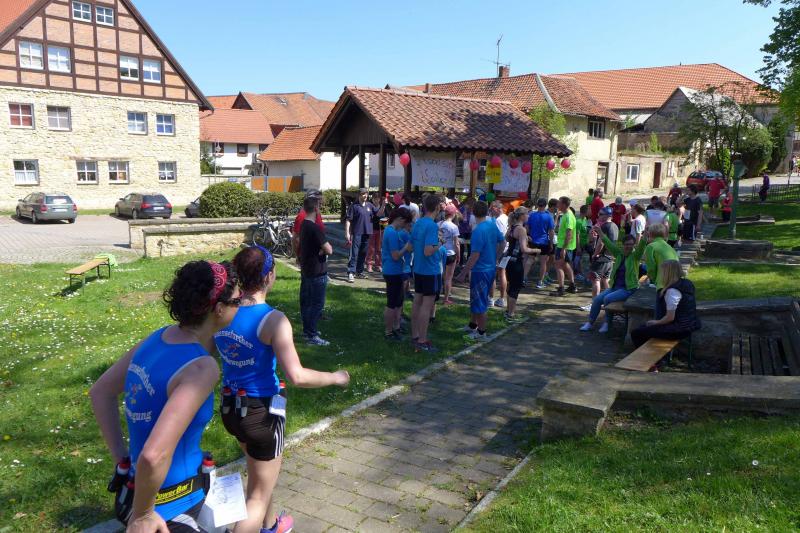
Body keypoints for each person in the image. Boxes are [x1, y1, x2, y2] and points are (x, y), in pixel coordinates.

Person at [90, 260, 241, 532]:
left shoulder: (156, 339)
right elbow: (153, 455)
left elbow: (100, 392)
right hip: (174, 507)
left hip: (135, 492)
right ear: (219, 309)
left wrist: (123, 462)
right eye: (237, 301)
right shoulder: (201, 368)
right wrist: (143, 515)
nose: (240, 306)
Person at [216, 247, 350, 533]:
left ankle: (272, 525)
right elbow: (297, 376)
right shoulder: (273, 320)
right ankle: (258, 524)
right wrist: (335, 377)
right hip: (262, 413)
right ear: (269, 276)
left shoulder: (223, 312)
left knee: (260, 474)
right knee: (257, 496)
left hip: (231, 409)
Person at [456, 200, 505, 342]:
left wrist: (463, 273)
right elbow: (503, 242)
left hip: (480, 270)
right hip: (489, 269)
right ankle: (473, 325)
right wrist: (496, 257)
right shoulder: (491, 225)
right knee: (476, 299)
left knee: (480, 301)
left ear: (473, 212)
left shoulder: (478, 231)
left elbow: (474, 255)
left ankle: (482, 333)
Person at [580, 233, 643, 333]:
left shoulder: (635, 256)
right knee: (597, 300)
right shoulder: (619, 254)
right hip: (615, 287)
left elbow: (642, 247)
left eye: (631, 244)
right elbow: (608, 243)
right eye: (627, 244)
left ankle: (607, 323)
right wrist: (600, 232)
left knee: (607, 298)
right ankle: (590, 323)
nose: (629, 246)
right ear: (623, 245)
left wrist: (645, 236)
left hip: (628, 289)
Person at [631, 260, 701, 347]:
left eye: (662, 272)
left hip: (679, 329)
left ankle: (647, 355)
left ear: (667, 273)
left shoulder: (672, 291)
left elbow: (670, 317)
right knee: (644, 327)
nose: (661, 275)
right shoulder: (686, 283)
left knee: (636, 333)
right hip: (691, 324)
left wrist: (656, 322)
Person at [410, 194, 443, 352]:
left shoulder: (418, 223)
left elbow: (411, 245)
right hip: (430, 270)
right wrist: (440, 243)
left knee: (417, 302)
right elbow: (428, 250)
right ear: (437, 207)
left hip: (418, 268)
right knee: (426, 305)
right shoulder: (432, 226)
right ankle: (422, 340)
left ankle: (415, 336)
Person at [298, 196, 333, 346]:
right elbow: (329, 249)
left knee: (307, 303)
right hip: (317, 271)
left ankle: (307, 331)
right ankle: (311, 335)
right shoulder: (314, 228)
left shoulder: (304, 225)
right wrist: (323, 250)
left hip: (306, 269)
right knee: (316, 304)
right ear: (316, 209)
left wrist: (320, 249)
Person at [503, 207, 539, 321]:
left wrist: (524, 238)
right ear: (522, 216)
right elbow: (524, 249)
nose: (528, 216)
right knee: (515, 287)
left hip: (509, 260)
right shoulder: (521, 229)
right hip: (517, 261)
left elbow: (507, 239)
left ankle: (508, 311)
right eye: (527, 214)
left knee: (511, 286)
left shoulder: (512, 227)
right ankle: (511, 314)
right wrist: (536, 250)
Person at [585, 207, 619, 307]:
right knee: (605, 280)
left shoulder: (605, 226)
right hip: (610, 257)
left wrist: (595, 254)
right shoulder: (615, 226)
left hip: (602, 257)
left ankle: (594, 304)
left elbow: (601, 243)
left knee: (596, 280)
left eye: (600, 214)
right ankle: (610, 302)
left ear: (607, 216)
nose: (598, 216)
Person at [345, 188, 377, 282]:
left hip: (367, 232)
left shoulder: (370, 205)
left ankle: (359, 271)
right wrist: (347, 232)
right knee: (354, 253)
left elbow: (378, 213)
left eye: (366, 194)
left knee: (363, 253)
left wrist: (383, 205)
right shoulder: (354, 206)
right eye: (363, 194)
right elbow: (348, 220)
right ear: (359, 195)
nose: (365, 196)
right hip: (356, 233)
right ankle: (351, 272)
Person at [525, 197, 555, 290]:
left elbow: (527, 227)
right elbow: (551, 231)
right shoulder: (549, 217)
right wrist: (551, 243)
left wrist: (527, 236)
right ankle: (540, 282)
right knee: (543, 262)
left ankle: (523, 278)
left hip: (533, 241)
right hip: (544, 242)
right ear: (545, 205)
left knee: (530, 259)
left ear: (537, 205)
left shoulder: (531, 215)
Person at [551, 196, 578, 297]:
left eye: (559, 203)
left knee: (558, 266)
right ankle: (572, 286)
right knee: (566, 265)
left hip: (564, 246)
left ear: (563, 205)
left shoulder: (568, 216)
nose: (557, 204)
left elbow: (569, 234)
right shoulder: (566, 214)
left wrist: (564, 249)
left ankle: (561, 289)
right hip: (564, 245)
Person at [643, 223, 679, 291]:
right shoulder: (669, 247)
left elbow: (651, 268)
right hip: (676, 281)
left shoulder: (651, 247)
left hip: (662, 283)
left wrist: (654, 280)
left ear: (649, 234)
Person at [291, 189, 325, 257]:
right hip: (309, 257)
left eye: (321, 201)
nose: (321, 204)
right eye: (319, 201)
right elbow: (295, 239)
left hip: (319, 255)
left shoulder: (317, 214)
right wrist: (298, 256)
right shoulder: (302, 216)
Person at [438, 204, 460, 305]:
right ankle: (446, 299)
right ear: (453, 214)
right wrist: (458, 255)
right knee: (448, 278)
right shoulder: (454, 227)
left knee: (439, 275)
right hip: (450, 253)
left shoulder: (438, 224)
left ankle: (435, 295)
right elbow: (456, 243)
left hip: (439, 252)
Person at [490, 200, 508, 308]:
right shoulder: (506, 218)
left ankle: (491, 299)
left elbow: (500, 240)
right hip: (506, 250)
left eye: (492, 209)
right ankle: (501, 299)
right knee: (502, 273)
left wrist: (497, 255)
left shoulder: (498, 221)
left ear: (498, 209)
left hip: (500, 251)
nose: (491, 211)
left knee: (494, 274)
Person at [366, 192, 388, 273]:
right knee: (371, 248)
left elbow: (386, 217)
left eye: (377, 198)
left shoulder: (383, 206)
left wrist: (385, 228)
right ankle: (369, 264)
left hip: (380, 230)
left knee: (379, 248)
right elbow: (378, 214)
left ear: (379, 199)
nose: (376, 200)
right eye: (374, 198)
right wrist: (383, 205)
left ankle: (378, 265)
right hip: (371, 229)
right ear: (372, 199)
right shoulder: (370, 207)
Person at [574, 205, 591, 282]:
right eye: (589, 210)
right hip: (579, 244)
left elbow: (585, 231)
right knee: (577, 259)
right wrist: (578, 247)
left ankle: (579, 272)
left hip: (584, 244)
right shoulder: (578, 222)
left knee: (580, 259)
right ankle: (576, 274)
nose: (591, 212)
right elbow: (577, 235)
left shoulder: (585, 219)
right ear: (586, 211)